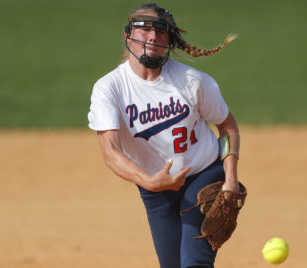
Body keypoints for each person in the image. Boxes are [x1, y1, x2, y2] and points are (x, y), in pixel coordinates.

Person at [88, 3, 241, 268]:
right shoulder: (109, 88)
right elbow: (109, 152)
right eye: (144, 29)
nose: (152, 37)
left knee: (194, 262)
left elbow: (227, 126)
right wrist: (149, 181)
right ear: (128, 36)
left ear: (169, 41)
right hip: (155, 192)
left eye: (161, 32)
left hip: (204, 178)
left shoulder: (192, 80)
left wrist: (230, 179)